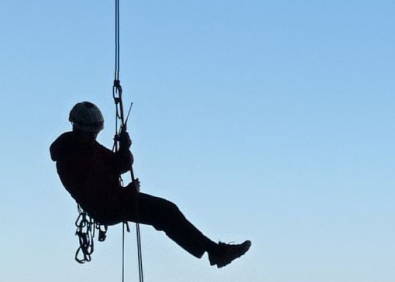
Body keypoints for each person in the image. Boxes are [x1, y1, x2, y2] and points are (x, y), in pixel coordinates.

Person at [50, 101, 250, 269]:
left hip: (116, 202)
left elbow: (119, 165)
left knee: (166, 212)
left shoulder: (89, 147)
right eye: (90, 133)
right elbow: (97, 196)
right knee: (166, 212)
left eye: (96, 133)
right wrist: (129, 192)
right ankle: (216, 252)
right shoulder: (71, 159)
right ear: (77, 128)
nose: (94, 137)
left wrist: (125, 148)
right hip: (108, 208)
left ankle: (215, 252)